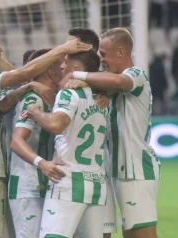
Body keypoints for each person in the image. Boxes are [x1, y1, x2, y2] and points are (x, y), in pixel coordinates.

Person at [0, 24, 91, 238]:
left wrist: (28, 86)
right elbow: (23, 73)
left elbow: (3, 105)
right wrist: (62, 49)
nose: (0, 50)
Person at [61, 27, 160, 238]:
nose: (101, 59)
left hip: (136, 170)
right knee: (130, 234)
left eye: (104, 54)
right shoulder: (111, 84)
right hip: (121, 170)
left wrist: (77, 74)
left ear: (121, 52)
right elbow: (110, 84)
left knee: (142, 234)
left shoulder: (136, 74)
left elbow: (118, 82)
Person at [27, 49, 108, 238]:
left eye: (65, 62)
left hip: (69, 180)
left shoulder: (69, 93)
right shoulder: (103, 98)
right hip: (96, 183)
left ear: (76, 68)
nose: (62, 66)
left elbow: (56, 124)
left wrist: (35, 112)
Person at [67, 27, 117, 238]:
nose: (65, 49)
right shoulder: (70, 77)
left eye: (70, 44)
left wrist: (94, 85)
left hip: (98, 168)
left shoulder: (109, 81)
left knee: (100, 232)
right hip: (70, 172)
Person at [7, 48, 63, 238]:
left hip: (43, 183)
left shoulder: (51, 100)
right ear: (51, 73)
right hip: (27, 186)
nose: (65, 68)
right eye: (60, 66)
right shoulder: (33, 99)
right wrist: (42, 163)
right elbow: (16, 141)